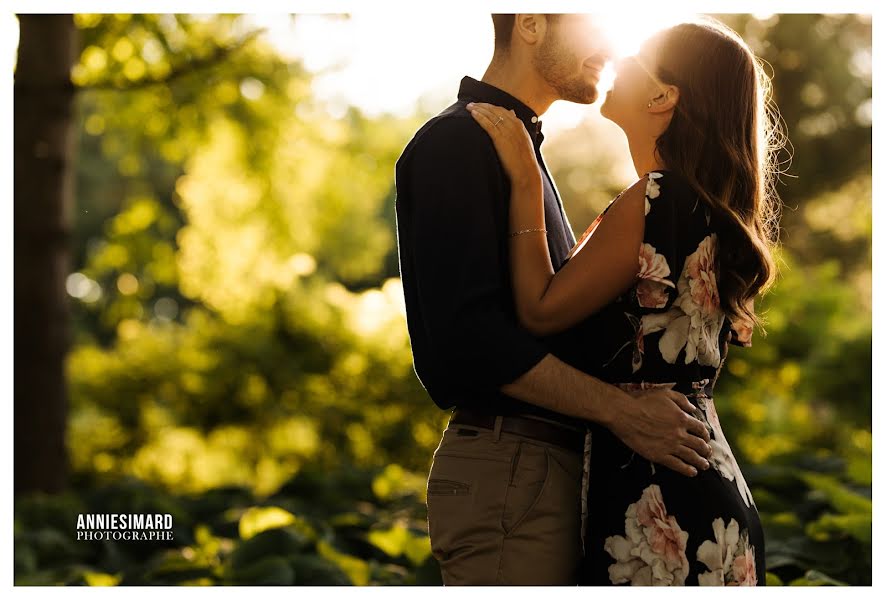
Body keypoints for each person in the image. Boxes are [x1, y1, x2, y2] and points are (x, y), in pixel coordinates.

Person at [394, 14, 716, 585]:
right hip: (511, 473)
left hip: (547, 473)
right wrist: (623, 411)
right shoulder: (457, 143)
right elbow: (471, 345)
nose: (609, 45)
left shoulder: (521, 150)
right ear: (532, 23)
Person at [466, 16, 783, 585]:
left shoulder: (656, 200)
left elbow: (538, 310)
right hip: (705, 498)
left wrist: (522, 182)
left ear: (663, 95)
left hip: (664, 506)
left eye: (635, 55)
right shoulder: (701, 211)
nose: (615, 57)